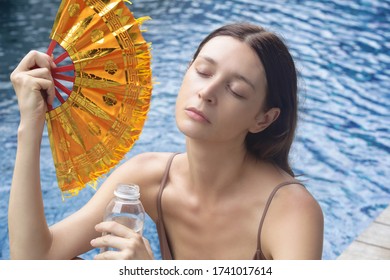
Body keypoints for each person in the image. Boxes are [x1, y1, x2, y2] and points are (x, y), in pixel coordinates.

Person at [9, 23, 324, 260]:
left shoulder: (290, 211)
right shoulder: (147, 178)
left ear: (264, 119)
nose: (207, 92)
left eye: (236, 90)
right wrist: (31, 124)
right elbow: (34, 259)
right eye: (202, 71)